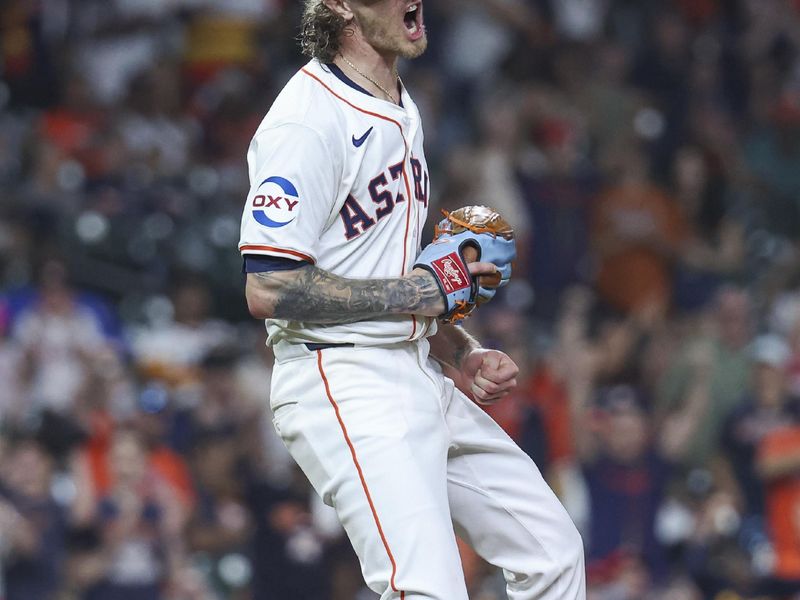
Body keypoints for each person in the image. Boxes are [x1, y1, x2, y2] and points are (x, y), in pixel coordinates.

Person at [237, 1, 585, 599]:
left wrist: (460, 347)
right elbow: (268, 285)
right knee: (426, 590)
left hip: (416, 367)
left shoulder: (401, 104)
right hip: (343, 375)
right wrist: (418, 295)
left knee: (552, 552)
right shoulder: (307, 120)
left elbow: (385, 266)